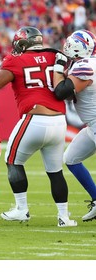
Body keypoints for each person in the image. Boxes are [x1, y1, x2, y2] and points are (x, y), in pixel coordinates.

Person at [0, 26, 77, 227]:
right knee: (55, 171)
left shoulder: (16, 60)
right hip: (59, 120)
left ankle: (22, 209)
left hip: (35, 117)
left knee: (12, 160)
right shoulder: (55, 55)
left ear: (22, 43)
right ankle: (64, 217)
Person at [52, 30, 96, 222]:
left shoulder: (84, 66)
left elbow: (61, 93)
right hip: (92, 125)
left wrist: (57, 69)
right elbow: (72, 93)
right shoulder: (85, 64)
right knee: (71, 158)